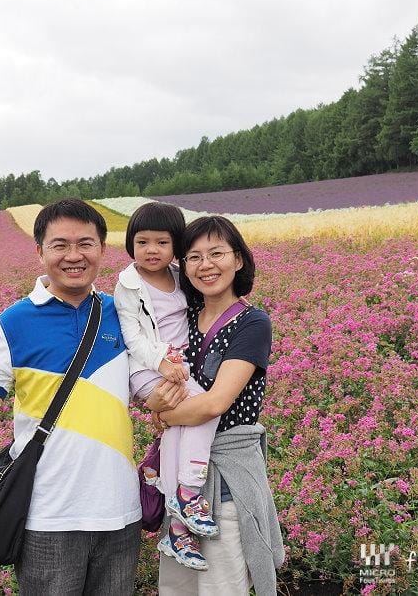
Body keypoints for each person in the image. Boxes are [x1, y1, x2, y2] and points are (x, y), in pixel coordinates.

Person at [0, 198, 141, 596]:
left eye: (85, 243)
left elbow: (152, 383)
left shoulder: (123, 312)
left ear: (102, 248)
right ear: (40, 252)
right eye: (60, 245)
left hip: (119, 512)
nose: (74, 256)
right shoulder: (15, 321)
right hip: (47, 517)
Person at [147, 215, 285, 596]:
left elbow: (215, 403)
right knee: (177, 588)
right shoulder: (185, 319)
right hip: (182, 478)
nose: (205, 265)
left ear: (238, 259)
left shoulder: (252, 323)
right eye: (193, 257)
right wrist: (156, 405)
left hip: (225, 482)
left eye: (216, 253)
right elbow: (157, 381)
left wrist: (162, 414)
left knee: (221, 587)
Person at [113, 201, 221, 571]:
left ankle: (177, 530)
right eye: (142, 242)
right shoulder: (128, 285)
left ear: (176, 245)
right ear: (130, 244)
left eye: (162, 242)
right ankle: (189, 490)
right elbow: (132, 336)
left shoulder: (180, 275)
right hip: (150, 370)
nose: (151, 250)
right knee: (205, 409)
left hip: (179, 368)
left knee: (177, 428)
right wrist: (163, 363)